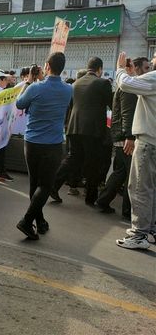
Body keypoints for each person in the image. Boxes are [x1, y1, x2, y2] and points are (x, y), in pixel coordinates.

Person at [15, 52, 72, 240]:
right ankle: (30, 221)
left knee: (35, 183)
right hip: (54, 144)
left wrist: (30, 82)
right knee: (45, 185)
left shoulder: (34, 88)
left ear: (46, 66)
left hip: (31, 142)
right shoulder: (68, 90)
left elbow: (19, 104)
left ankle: (35, 221)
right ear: (62, 68)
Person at [51, 57, 112, 206]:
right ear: (100, 69)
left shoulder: (76, 83)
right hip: (92, 130)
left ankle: (53, 185)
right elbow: (111, 104)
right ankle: (90, 198)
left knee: (73, 158)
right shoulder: (103, 83)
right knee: (93, 163)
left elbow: (72, 105)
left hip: (74, 127)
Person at [96, 57, 150, 217]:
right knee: (129, 175)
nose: (149, 71)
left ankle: (103, 200)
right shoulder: (128, 87)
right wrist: (129, 137)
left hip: (123, 136)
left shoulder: (128, 85)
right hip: (126, 137)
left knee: (121, 172)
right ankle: (126, 210)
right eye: (146, 68)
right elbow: (128, 113)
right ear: (136, 68)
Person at [114, 52, 156, 249]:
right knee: (151, 189)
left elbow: (126, 84)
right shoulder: (151, 80)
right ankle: (150, 230)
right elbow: (140, 84)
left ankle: (139, 234)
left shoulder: (154, 78)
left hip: (148, 141)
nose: (152, 59)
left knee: (140, 188)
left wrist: (121, 69)